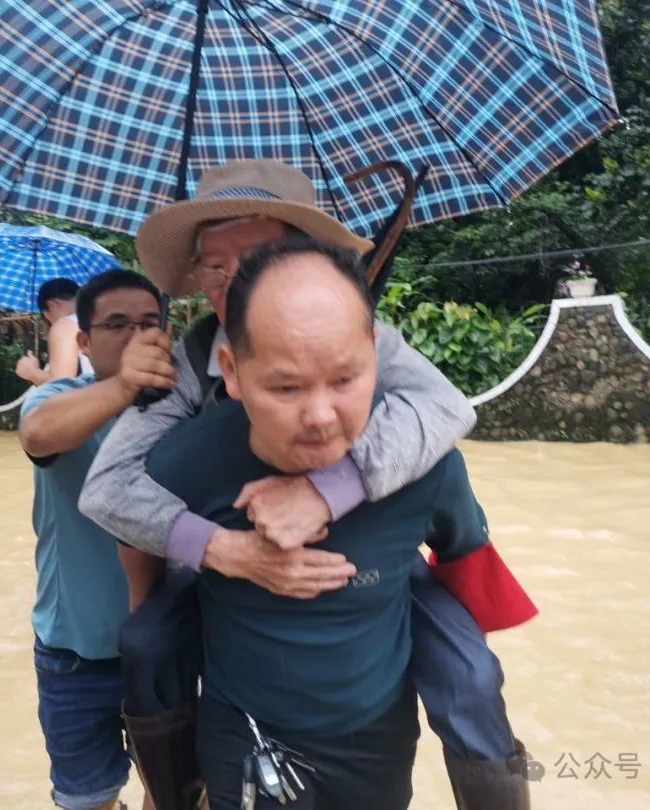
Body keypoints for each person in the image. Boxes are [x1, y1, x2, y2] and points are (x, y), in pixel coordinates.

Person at [79, 161, 534, 810]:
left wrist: (331, 488)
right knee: (148, 643)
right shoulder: (186, 358)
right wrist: (226, 551)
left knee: (471, 675)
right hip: (229, 543)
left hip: (370, 553)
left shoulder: (364, 333)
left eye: (258, 254)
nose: (235, 279)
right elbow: (109, 490)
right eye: (214, 264)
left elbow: (447, 409)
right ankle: (177, 793)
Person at [18, 270, 166, 810]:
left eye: (149, 324)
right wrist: (124, 386)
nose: (135, 335)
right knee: (85, 800)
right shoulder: (58, 399)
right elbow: (38, 436)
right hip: (75, 653)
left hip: (169, 646)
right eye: (117, 324)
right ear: (83, 341)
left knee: (175, 790)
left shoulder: (183, 408)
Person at [16, 278, 94, 384]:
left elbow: (61, 386)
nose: (50, 323)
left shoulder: (66, 325)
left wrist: (31, 372)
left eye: (45, 316)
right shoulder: (101, 316)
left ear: (52, 304)